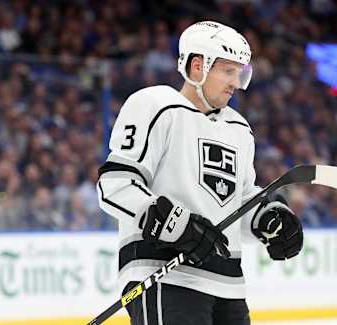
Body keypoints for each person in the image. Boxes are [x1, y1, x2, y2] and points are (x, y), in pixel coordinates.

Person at [97, 21, 304, 325]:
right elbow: (115, 184)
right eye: (228, 71)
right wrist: (171, 223)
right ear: (198, 67)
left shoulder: (239, 128)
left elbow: (236, 203)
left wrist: (267, 220)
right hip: (164, 274)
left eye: (240, 73)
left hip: (227, 285)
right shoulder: (156, 105)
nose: (236, 82)